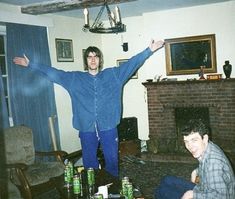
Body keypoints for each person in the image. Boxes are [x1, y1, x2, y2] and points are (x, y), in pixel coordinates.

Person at [13, 39, 164, 177]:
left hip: (109, 127)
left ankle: (113, 189)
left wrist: (149, 50)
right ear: (86, 60)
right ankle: (93, 190)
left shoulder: (114, 75)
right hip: (86, 129)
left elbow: (132, 63)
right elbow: (54, 74)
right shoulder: (74, 79)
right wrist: (31, 64)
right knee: (89, 164)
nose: (93, 59)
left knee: (112, 162)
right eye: (89, 56)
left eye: (96, 56)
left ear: (100, 60)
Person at [155, 119, 235, 199]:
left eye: (194, 140)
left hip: (209, 195)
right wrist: (196, 171)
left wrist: (192, 194)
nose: (190, 146)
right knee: (167, 179)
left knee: (162, 191)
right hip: (204, 188)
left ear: (205, 138)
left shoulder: (214, 163)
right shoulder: (208, 147)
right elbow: (206, 165)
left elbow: (222, 196)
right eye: (186, 141)